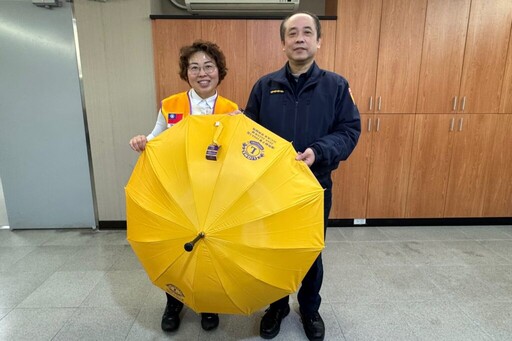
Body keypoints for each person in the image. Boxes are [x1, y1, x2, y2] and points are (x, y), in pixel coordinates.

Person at [244, 11, 361, 341]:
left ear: (318, 41)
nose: (299, 38)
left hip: (314, 186)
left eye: (307, 32)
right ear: (282, 43)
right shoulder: (265, 86)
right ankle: (277, 306)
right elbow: (249, 135)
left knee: (310, 250)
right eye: (292, 34)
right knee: (272, 249)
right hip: (270, 188)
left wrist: (318, 152)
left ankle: (309, 308)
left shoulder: (336, 86)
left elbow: (349, 130)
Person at [129, 40, 239, 332]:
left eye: (209, 66)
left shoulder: (232, 109)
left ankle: (208, 303)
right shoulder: (171, 105)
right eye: (195, 67)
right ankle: (174, 302)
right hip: (177, 192)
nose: (202, 73)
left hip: (214, 192)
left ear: (219, 71)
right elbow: (156, 139)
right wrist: (143, 142)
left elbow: (237, 155)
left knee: (211, 248)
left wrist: (236, 128)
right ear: (186, 73)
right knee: (176, 248)